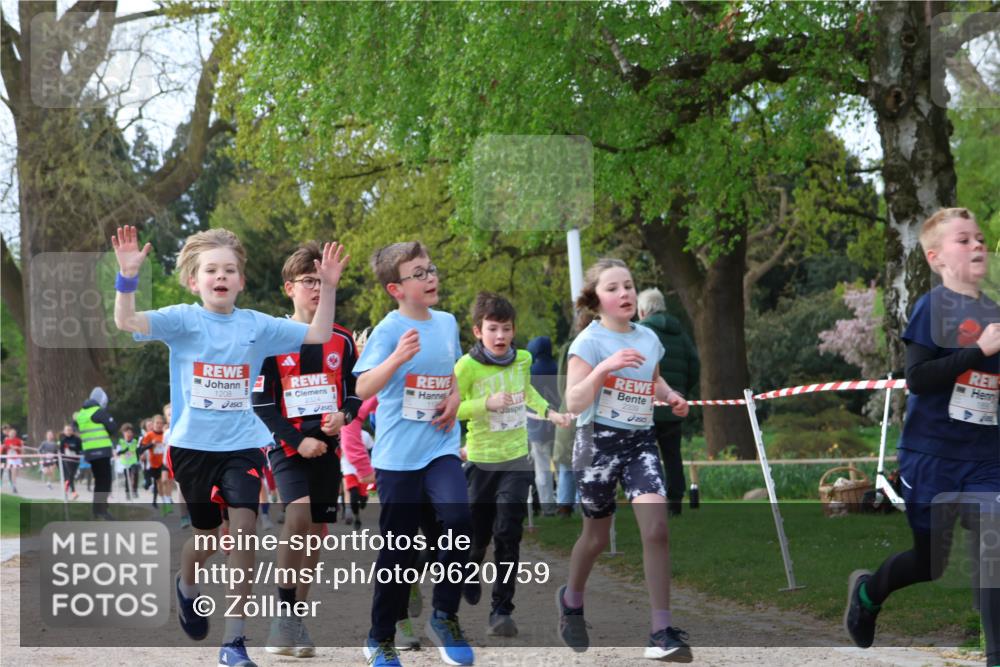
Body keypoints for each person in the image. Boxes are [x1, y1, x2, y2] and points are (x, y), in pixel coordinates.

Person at [112, 224, 348, 667]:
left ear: (241, 280)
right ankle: (186, 584)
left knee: (244, 530)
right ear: (194, 281)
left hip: (243, 445)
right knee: (206, 538)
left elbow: (317, 334)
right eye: (211, 270)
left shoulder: (258, 326)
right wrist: (127, 278)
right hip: (192, 448)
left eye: (229, 270)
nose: (220, 276)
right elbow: (126, 322)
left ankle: (234, 640)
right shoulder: (183, 320)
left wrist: (329, 287)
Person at [843, 208, 1000, 667]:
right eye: (963, 240)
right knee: (930, 563)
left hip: (986, 458)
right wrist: (978, 351)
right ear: (936, 258)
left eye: (979, 238)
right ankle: (868, 594)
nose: (976, 245)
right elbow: (918, 378)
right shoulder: (932, 308)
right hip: (932, 457)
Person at [558, 258, 693, 662]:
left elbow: (653, 378)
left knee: (657, 529)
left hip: (639, 444)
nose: (625, 294)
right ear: (596, 299)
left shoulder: (649, 338)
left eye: (629, 286)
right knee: (596, 538)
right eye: (613, 288)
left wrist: (670, 396)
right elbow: (573, 401)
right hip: (596, 443)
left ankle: (660, 631)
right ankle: (571, 600)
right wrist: (605, 367)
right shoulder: (588, 342)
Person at [354, 241, 471, 667]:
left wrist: (455, 398)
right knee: (399, 551)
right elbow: (362, 387)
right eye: (418, 274)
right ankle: (379, 638)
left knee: (459, 522)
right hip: (398, 458)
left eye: (430, 269)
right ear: (396, 289)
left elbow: (451, 373)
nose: (430, 277)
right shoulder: (389, 331)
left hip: (440, 446)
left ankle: (444, 616)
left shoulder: (447, 322)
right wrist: (397, 358)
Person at [252, 241, 366, 658]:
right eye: (308, 281)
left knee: (316, 532)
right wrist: (297, 439)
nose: (316, 288)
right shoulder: (272, 338)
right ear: (289, 288)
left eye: (321, 281)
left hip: (327, 447)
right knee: (297, 515)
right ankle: (282, 616)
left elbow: (354, 391)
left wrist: (344, 415)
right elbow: (261, 401)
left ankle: (295, 619)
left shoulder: (343, 339)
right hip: (286, 445)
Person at [456, 292, 572, 637]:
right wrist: (485, 404)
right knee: (478, 537)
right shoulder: (466, 366)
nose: (500, 336)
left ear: (514, 330)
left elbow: (528, 393)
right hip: (481, 461)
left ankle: (502, 610)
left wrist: (549, 412)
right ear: (478, 331)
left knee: (508, 531)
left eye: (506, 329)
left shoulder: (523, 360)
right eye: (492, 329)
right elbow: (452, 408)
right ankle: (470, 568)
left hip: (517, 459)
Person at [638, 288, 700, 517]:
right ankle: (675, 501)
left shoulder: (641, 332)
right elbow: (694, 363)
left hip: (646, 404)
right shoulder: (679, 332)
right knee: (673, 454)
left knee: (647, 454)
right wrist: (681, 392)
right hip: (674, 404)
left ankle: (652, 499)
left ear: (642, 311)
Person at [553, 310, 594, 517]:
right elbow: (563, 383)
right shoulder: (571, 347)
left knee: (575, 461)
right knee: (570, 460)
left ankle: (572, 505)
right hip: (574, 409)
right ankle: (567, 505)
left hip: (581, 409)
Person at [526, 335, 561, 516]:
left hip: (536, 427)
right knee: (563, 468)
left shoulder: (529, 371)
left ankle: (548, 506)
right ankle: (566, 504)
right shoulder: (558, 368)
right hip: (559, 425)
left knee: (542, 469)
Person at [73, 387, 118, 520]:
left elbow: (75, 427)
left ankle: (97, 510)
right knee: (105, 481)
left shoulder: (82, 413)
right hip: (102, 450)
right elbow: (113, 428)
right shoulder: (98, 412)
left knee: (99, 481)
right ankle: (102, 510)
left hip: (89, 452)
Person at [139, 414, 168, 512]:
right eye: (157, 423)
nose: (159, 425)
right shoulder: (149, 435)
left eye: (161, 423)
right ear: (153, 424)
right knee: (157, 484)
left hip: (164, 463)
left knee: (163, 482)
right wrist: (151, 444)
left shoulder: (166, 434)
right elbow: (141, 449)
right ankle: (159, 501)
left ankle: (166, 502)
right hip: (152, 464)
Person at [117, 424, 141, 499]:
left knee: (135, 474)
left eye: (130, 432)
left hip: (134, 461)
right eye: (127, 432)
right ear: (123, 433)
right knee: (128, 478)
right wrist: (124, 451)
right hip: (125, 463)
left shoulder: (135, 441)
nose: (129, 434)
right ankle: (127, 493)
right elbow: (118, 452)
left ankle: (134, 490)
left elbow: (138, 450)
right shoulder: (120, 442)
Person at [59, 424, 82, 500]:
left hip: (75, 460)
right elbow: (61, 451)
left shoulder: (77, 439)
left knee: (71, 476)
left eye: (70, 430)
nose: (68, 431)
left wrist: (71, 447)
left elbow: (80, 449)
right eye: (67, 430)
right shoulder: (63, 440)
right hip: (67, 460)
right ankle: (73, 492)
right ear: (64, 432)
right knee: (70, 475)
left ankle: (66, 487)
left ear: (72, 431)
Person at [1, 426, 23, 493]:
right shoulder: (6, 440)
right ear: (9, 433)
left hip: (17, 458)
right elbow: (4, 448)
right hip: (10, 459)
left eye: (14, 433)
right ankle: (14, 486)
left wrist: (17, 448)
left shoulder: (18, 440)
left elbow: (22, 449)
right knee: (13, 471)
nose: (12, 434)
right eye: (11, 433)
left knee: (17, 473)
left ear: (15, 434)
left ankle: (14, 483)